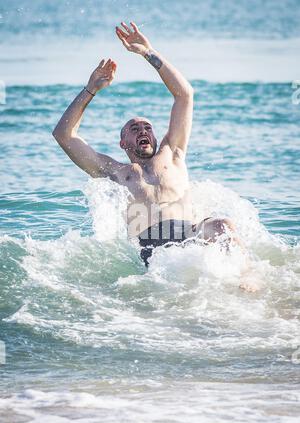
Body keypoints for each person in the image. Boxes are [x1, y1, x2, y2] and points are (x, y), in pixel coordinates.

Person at [53, 21, 254, 286]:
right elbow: (64, 135)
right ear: (123, 143)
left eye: (147, 127)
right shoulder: (115, 172)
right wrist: (91, 89)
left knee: (223, 225)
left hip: (191, 233)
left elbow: (184, 95)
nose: (142, 130)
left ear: (156, 136)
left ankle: (248, 278)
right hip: (150, 246)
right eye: (134, 129)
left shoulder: (172, 153)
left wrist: (148, 52)